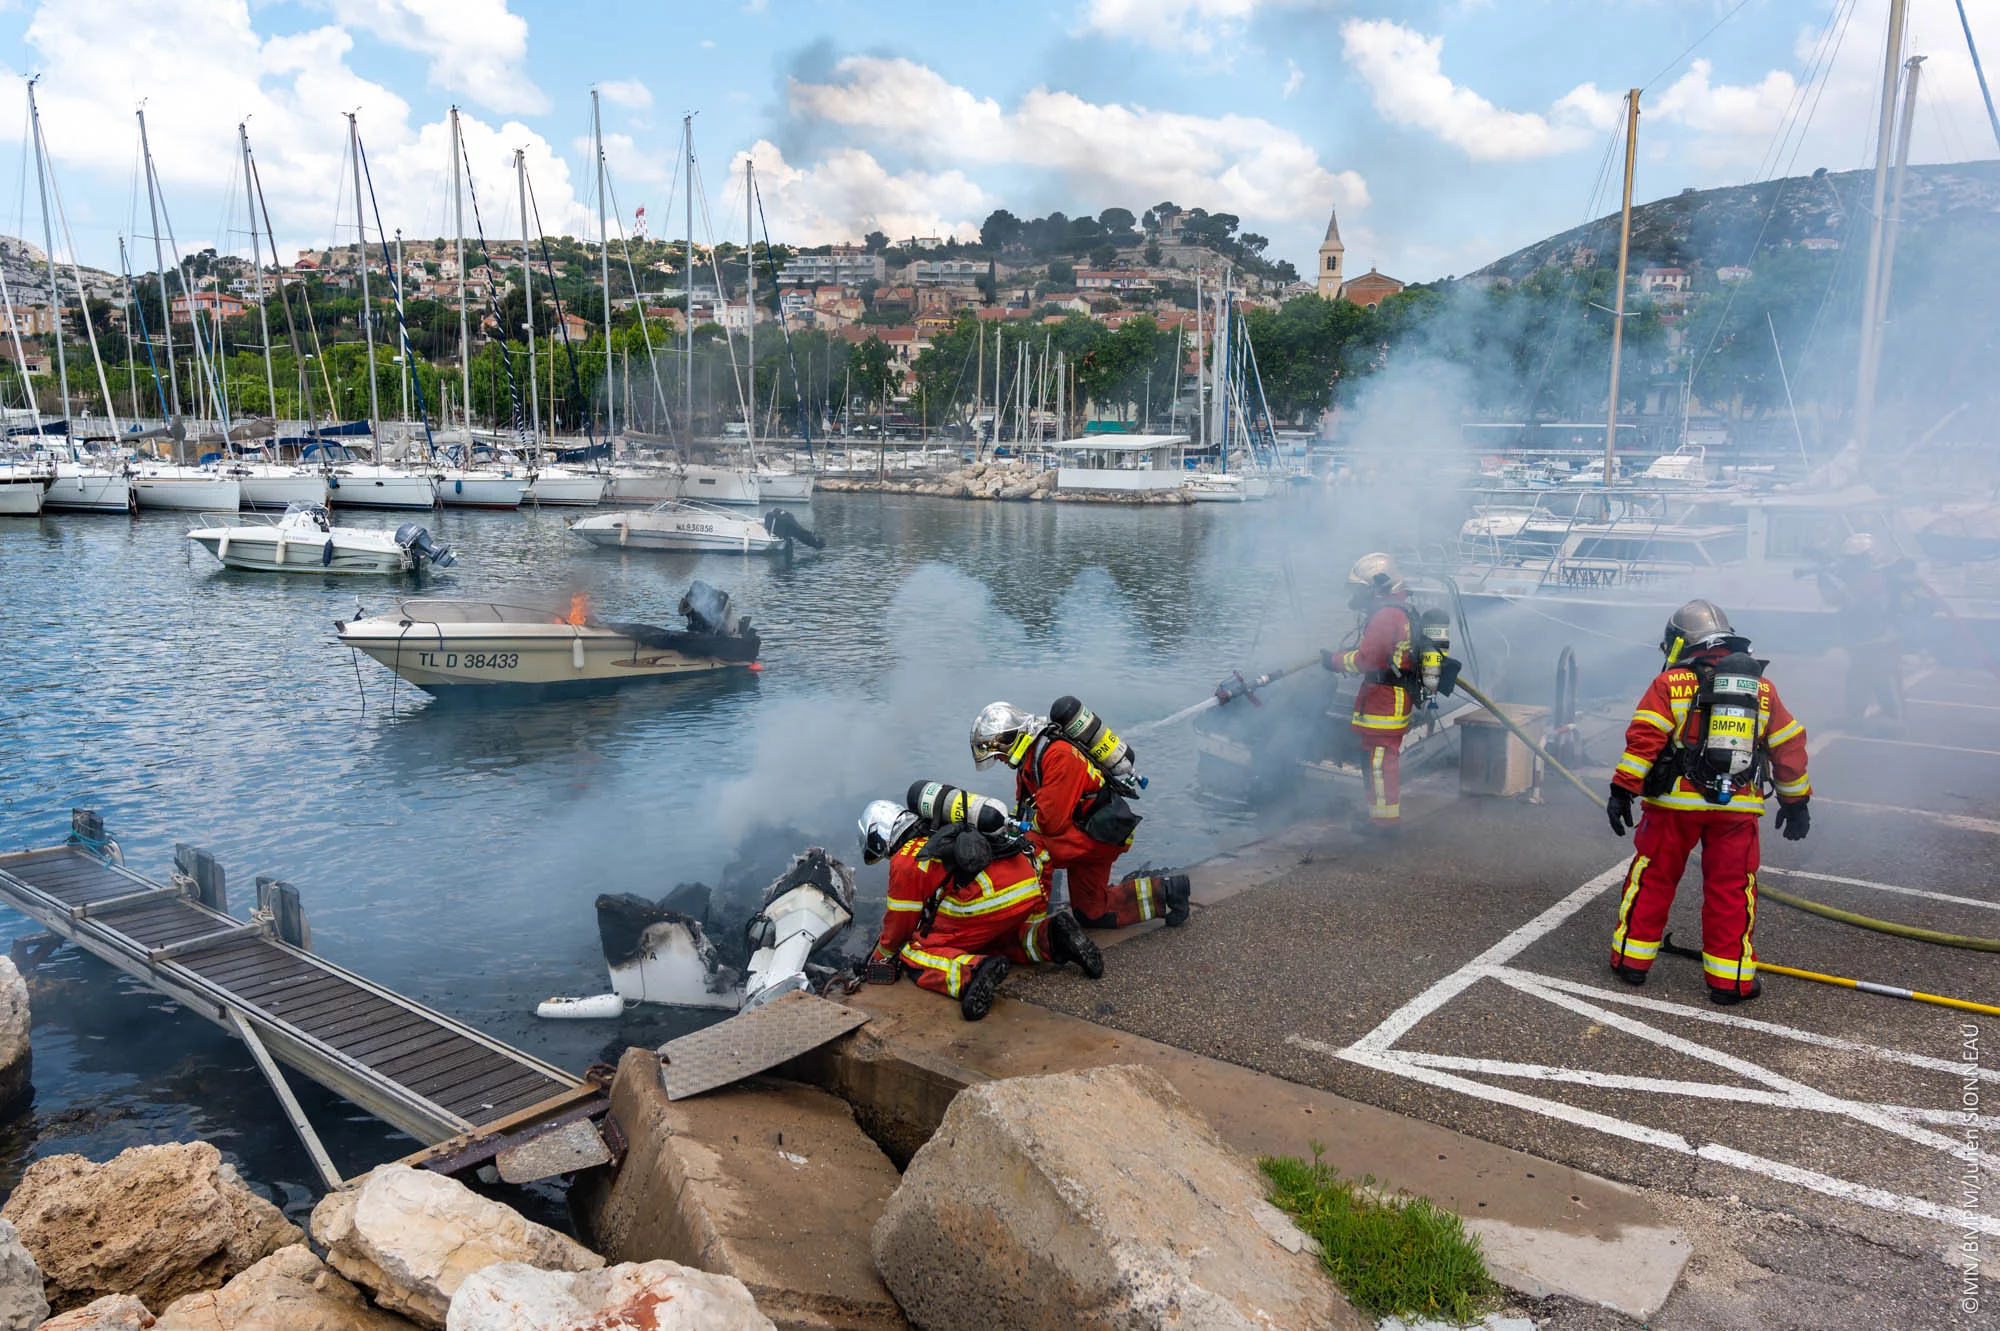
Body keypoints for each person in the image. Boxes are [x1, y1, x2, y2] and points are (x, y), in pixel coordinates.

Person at [1605, 600, 1812, 1005]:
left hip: (1673, 807)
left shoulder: (1670, 684)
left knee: (1652, 879)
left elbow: (1645, 740)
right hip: (1737, 809)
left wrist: (1622, 790)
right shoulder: (1762, 690)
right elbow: (1788, 748)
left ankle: (1631, 961)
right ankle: (1729, 982)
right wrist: (1795, 803)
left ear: (1680, 642)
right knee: (1732, 891)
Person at [858, 795, 1102, 1021]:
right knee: (993, 940)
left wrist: (879, 959)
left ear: (881, 838)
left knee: (913, 951)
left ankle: (971, 973)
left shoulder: (906, 858)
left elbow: (899, 926)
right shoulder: (941, 826)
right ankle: (1053, 937)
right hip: (1025, 882)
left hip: (987, 899)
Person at [969, 701, 1191, 930]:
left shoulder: (1058, 755)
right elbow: (1027, 811)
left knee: (1029, 847)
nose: (999, 759)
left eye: (998, 752)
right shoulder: (1031, 760)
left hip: (1098, 835)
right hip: (1090, 833)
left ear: (1011, 740)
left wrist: (1014, 834)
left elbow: (1050, 824)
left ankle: (1035, 928)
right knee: (1093, 913)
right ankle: (1169, 892)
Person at [1322, 552, 1420, 833]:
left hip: (1385, 701)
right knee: (1375, 760)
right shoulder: (1398, 611)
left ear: (1378, 587)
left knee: (1379, 763)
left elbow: (1367, 660)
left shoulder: (1386, 616)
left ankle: (1385, 824)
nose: (1357, 596)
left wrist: (1334, 661)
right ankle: (1379, 816)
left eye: (1361, 589)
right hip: (1388, 697)